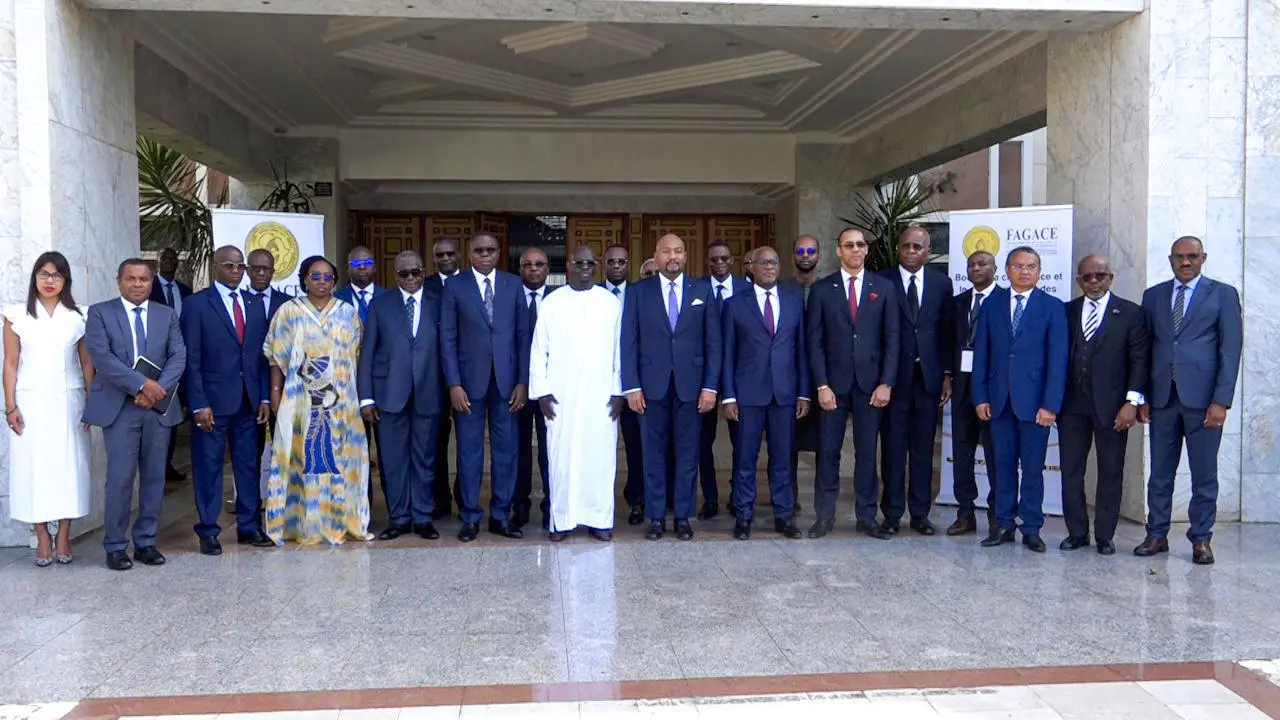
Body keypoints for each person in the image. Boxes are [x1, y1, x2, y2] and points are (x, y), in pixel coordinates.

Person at [1136, 236, 1242, 565]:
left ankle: (1201, 538)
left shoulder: (1222, 294)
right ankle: (1156, 534)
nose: (1185, 262)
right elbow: (1144, 350)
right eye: (1179, 257)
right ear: (1170, 259)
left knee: (1204, 474)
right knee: (1160, 473)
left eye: (1192, 256)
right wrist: (1143, 396)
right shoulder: (1153, 296)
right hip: (1163, 398)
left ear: (1203, 258)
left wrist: (1221, 401)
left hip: (1204, 401)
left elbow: (1230, 350)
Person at [83, 258, 186, 571]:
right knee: (120, 478)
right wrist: (142, 385)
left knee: (154, 477)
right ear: (119, 281)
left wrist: (157, 390)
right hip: (119, 408)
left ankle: (146, 542)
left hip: (157, 408)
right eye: (131, 278)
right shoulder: (100, 313)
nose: (138, 284)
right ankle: (115, 546)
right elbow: (102, 357)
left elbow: (178, 355)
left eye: (144, 279)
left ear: (151, 282)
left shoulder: (166, 314)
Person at [264, 256, 370, 546]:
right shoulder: (289, 311)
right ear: (304, 279)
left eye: (327, 277)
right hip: (301, 402)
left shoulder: (347, 312)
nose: (322, 282)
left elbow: (358, 356)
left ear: (335, 281)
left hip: (341, 403)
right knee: (301, 458)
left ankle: (340, 521)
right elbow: (276, 355)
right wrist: (275, 392)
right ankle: (301, 524)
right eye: (316, 276)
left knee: (341, 459)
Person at [622, 233, 721, 541]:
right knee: (652, 454)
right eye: (666, 251)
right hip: (650, 387)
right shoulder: (638, 292)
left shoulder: (702, 290)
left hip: (692, 387)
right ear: (657, 255)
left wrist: (711, 386)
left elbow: (713, 342)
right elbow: (628, 341)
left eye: (678, 251)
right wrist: (631, 386)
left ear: (686, 256)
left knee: (688, 454)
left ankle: (682, 516)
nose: (672, 257)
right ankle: (655, 517)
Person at [973, 246, 1068, 554]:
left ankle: (1031, 528)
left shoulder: (1052, 307)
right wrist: (980, 396)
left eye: (1030, 267)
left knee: (1032, 469)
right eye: (1018, 266)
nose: (1024, 271)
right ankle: (1003, 524)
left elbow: (1058, 360)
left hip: (1035, 405)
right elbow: (981, 354)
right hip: (998, 402)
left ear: (1039, 272)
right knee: (1001, 467)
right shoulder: (991, 305)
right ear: (1007, 270)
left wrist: (1050, 405)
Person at [806, 228, 899, 539]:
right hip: (833, 385)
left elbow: (892, 339)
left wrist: (886, 382)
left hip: (871, 385)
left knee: (867, 453)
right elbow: (814, 341)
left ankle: (867, 516)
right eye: (849, 245)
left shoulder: (883, 288)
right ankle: (824, 516)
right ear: (839, 250)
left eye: (860, 245)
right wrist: (821, 385)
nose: (855, 249)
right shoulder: (822, 289)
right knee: (828, 451)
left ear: (866, 250)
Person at [3, 252, 93, 566]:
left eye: (56, 275)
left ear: (66, 280)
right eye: (44, 274)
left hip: (70, 399)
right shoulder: (16, 316)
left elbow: (86, 363)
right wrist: (10, 406)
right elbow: (10, 362)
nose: (50, 281)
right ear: (35, 278)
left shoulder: (79, 316)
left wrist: (92, 404)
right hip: (29, 401)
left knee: (69, 465)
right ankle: (41, 534)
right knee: (34, 467)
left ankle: (64, 534)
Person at [182, 246, 272, 556]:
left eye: (240, 266)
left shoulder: (254, 303)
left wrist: (264, 396)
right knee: (208, 467)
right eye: (229, 265)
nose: (236, 271)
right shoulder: (196, 305)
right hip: (212, 403)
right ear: (215, 267)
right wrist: (197, 403)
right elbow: (191, 358)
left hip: (248, 402)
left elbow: (261, 357)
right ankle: (208, 529)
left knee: (248, 466)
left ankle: (249, 525)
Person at [530, 246, 624, 542]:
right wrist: (542, 392)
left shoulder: (610, 303)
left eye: (590, 263)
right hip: (562, 397)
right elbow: (539, 349)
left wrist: (618, 391)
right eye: (579, 262)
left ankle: (600, 520)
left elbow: (619, 350)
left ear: (596, 267)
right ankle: (562, 520)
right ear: (569, 265)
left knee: (600, 459)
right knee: (561, 459)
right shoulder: (552, 302)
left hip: (601, 397)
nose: (585, 267)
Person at [441, 232, 530, 542]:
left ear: (498, 251)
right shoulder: (455, 286)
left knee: (506, 451)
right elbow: (447, 338)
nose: (485, 254)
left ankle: (501, 516)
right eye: (479, 250)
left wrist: (523, 381)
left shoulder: (513, 284)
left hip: (507, 382)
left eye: (490, 249)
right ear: (469, 253)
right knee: (469, 453)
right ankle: (470, 516)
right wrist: (453, 383)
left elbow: (523, 337)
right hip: (468, 383)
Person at [1059, 255, 1149, 556]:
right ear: (1078, 281)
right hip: (1071, 405)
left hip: (1113, 407)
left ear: (1111, 278)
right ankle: (1077, 533)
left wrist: (1132, 402)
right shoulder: (1067, 311)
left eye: (1100, 276)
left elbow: (1139, 360)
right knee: (1071, 471)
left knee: (1111, 470)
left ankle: (1105, 535)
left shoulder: (1131, 313)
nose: (1094, 282)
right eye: (1087, 277)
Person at [721, 247, 808, 540]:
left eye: (774, 262)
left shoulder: (794, 302)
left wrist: (804, 393)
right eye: (764, 263)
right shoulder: (735, 305)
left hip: (784, 393)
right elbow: (727, 353)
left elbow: (801, 351)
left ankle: (784, 515)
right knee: (745, 458)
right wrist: (728, 395)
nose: (769, 267)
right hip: (747, 394)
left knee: (782, 458)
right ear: (751, 267)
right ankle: (743, 515)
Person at [358, 250, 443, 541]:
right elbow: (368, 353)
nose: (410, 278)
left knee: (425, 459)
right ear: (395, 275)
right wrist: (366, 398)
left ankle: (422, 517)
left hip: (428, 392)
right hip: (389, 394)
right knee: (393, 461)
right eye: (403, 273)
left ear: (424, 272)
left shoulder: (438, 303)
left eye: (415, 272)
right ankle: (399, 518)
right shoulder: (380, 305)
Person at [877, 226, 954, 536]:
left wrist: (946, 373)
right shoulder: (882, 281)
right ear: (899, 248)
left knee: (923, 450)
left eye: (917, 247)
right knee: (893, 449)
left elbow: (947, 331)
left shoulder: (941, 283)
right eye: (906, 246)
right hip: (893, 380)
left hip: (928, 379)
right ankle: (892, 514)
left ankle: (920, 514)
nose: (911, 251)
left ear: (928, 252)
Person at [947, 251, 1000, 536]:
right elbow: (948, 343)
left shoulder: (1005, 301)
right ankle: (965, 513)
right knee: (962, 452)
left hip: (993, 390)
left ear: (995, 268)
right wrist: (947, 375)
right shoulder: (957, 303)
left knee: (996, 454)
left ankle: (997, 514)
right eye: (972, 264)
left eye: (983, 264)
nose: (976, 268)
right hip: (962, 387)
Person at [334, 246, 389, 510]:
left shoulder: (390, 298)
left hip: (385, 386)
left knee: (388, 452)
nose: (362, 267)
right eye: (356, 263)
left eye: (367, 262)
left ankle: (395, 511)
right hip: (347, 386)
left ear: (375, 266)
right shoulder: (335, 300)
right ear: (347, 268)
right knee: (354, 453)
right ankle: (359, 508)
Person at [699, 240, 750, 520]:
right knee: (702, 441)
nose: (719, 263)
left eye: (724, 258)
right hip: (703, 376)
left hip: (738, 375)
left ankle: (738, 496)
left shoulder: (746, 290)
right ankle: (710, 498)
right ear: (707, 262)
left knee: (740, 440)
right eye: (714, 259)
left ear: (732, 260)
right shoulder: (697, 289)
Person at [602, 245, 646, 525]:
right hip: (599, 382)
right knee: (598, 446)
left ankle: (637, 500)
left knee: (636, 445)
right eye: (612, 261)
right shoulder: (591, 293)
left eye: (622, 261)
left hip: (632, 382)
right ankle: (597, 502)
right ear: (603, 264)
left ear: (629, 264)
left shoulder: (641, 293)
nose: (617, 265)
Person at [245, 248, 288, 529]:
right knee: (250, 456)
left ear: (274, 271)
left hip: (285, 390)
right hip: (248, 391)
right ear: (248, 270)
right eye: (256, 268)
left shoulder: (288, 304)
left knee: (286, 454)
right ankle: (252, 518)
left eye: (266, 269)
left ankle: (284, 511)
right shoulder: (240, 301)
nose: (261, 273)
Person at [514, 247, 554, 529]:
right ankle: (519, 505)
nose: (533, 269)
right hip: (515, 386)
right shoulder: (510, 297)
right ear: (520, 269)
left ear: (548, 269)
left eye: (539, 264)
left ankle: (552, 505)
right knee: (518, 449)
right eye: (527, 264)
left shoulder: (559, 299)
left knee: (549, 449)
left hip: (550, 388)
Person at [423, 237, 462, 520]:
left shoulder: (471, 284)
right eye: (440, 255)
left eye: (450, 254)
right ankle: (440, 498)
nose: (445, 259)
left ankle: (465, 497)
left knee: (467, 441)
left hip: (468, 375)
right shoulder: (424, 286)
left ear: (458, 255)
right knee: (435, 439)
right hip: (434, 376)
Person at [149, 247, 191, 485]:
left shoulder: (186, 291)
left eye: (172, 258)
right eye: (164, 258)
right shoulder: (149, 288)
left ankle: (167, 464)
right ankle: (154, 467)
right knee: (156, 413)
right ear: (157, 262)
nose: (168, 261)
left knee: (174, 415)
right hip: (155, 361)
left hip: (181, 361)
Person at [788, 234, 822, 513]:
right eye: (800, 251)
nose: (806, 255)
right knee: (787, 444)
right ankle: (788, 499)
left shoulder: (829, 289)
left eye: (811, 251)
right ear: (793, 256)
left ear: (818, 255)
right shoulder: (783, 289)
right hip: (788, 378)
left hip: (822, 379)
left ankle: (824, 503)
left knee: (825, 444)